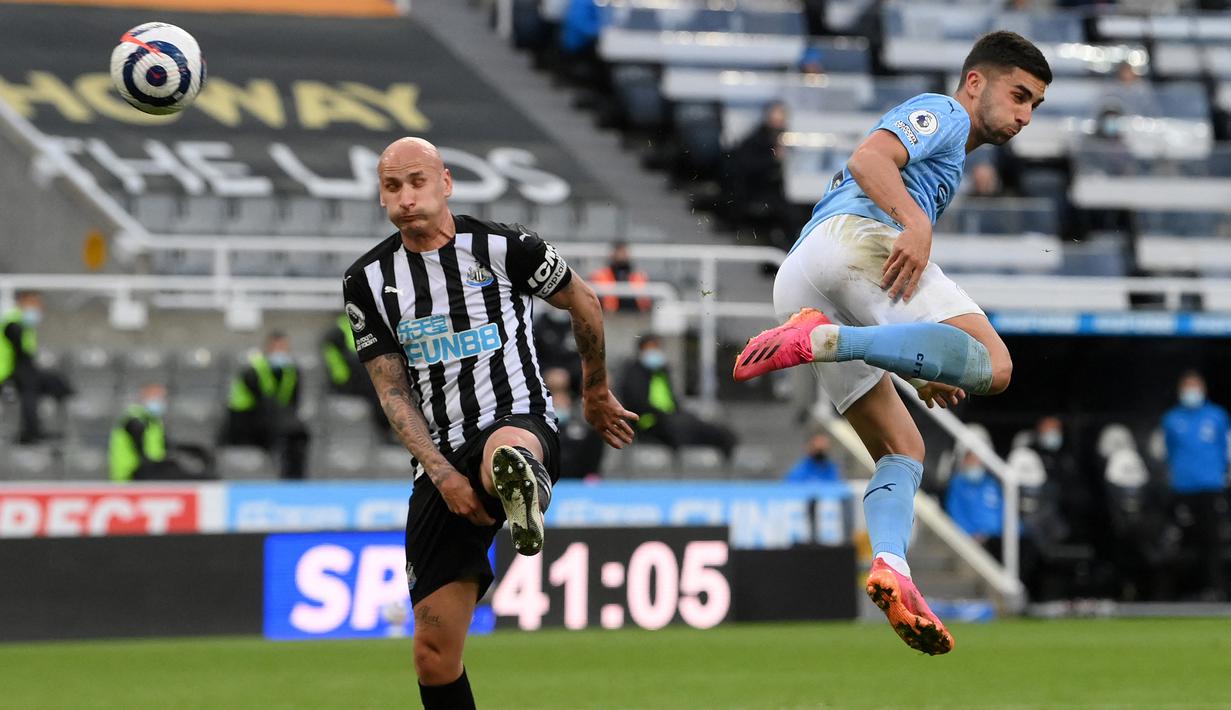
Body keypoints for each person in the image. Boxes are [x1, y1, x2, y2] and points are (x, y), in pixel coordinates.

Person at [733, 31, 1052, 654]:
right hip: (855, 239)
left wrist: (921, 355)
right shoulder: (947, 112)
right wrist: (916, 222)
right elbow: (868, 160)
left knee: (902, 448)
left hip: (802, 272)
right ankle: (829, 340)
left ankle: (891, 566)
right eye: (1019, 95)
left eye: (1035, 106)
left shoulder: (957, 146)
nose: (1024, 116)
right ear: (976, 81)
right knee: (994, 364)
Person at [342, 137, 635, 710]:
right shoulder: (367, 281)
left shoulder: (503, 247)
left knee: (506, 447)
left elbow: (585, 302)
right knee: (433, 654)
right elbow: (391, 390)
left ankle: (521, 479)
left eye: (417, 182)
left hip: (516, 416)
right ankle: (513, 487)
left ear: (445, 183)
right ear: (381, 195)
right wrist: (440, 475)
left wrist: (595, 391)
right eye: (392, 186)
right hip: (440, 462)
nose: (405, 197)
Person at [1161, 371, 1231, 600]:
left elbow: (1225, 448)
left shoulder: (1217, 416)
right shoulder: (1171, 419)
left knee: (1212, 540)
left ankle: (1215, 589)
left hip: (1211, 485)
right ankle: (1183, 590)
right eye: (1187, 387)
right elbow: (1169, 452)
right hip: (1182, 487)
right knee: (1182, 540)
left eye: (1195, 387)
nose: (1191, 393)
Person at [621, 334, 737, 461]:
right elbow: (638, 403)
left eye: (656, 348)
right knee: (679, 430)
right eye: (650, 349)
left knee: (715, 430)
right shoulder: (633, 374)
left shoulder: (662, 372)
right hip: (649, 422)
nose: (654, 353)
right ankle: (683, 469)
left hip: (672, 417)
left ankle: (726, 466)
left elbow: (672, 401)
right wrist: (665, 415)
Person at [221, 332, 310, 479]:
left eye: (284, 348)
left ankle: (294, 482)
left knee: (298, 437)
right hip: (246, 422)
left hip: (274, 422)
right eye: (277, 347)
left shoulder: (292, 371)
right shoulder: (253, 370)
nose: (280, 352)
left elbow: (294, 401)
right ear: (268, 348)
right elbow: (262, 401)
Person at [0, 290, 73, 444]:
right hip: (6, 371)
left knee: (54, 383)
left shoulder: (23, 324)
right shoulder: (13, 322)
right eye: (35, 303)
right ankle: (30, 432)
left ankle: (39, 428)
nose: (39, 307)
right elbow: (20, 352)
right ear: (23, 301)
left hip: (16, 368)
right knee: (30, 386)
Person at [109, 383, 212, 482]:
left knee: (193, 473)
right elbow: (143, 454)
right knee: (182, 474)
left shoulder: (152, 421)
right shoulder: (134, 421)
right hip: (131, 473)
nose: (160, 401)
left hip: (150, 469)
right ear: (143, 398)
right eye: (156, 397)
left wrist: (195, 450)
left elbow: (165, 445)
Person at [321, 312, 390, 436]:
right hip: (346, 383)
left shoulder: (343, 328)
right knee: (379, 392)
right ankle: (385, 430)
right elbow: (354, 361)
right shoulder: (342, 331)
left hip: (347, 380)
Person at [546, 367, 605, 479]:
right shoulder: (537, 426)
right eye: (555, 393)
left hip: (578, 481)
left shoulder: (583, 426)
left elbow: (592, 455)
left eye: (563, 393)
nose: (559, 400)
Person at [944, 450, 1004, 559]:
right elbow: (954, 511)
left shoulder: (991, 483)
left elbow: (1001, 511)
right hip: (968, 538)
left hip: (994, 538)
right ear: (965, 461)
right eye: (972, 460)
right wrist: (972, 533)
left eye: (978, 460)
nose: (975, 464)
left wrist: (990, 532)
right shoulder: (957, 483)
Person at [588, 240, 651, 313]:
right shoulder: (600, 275)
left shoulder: (638, 276)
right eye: (619, 251)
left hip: (635, 315)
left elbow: (645, 302)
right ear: (613, 254)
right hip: (609, 315)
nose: (621, 255)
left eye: (623, 252)